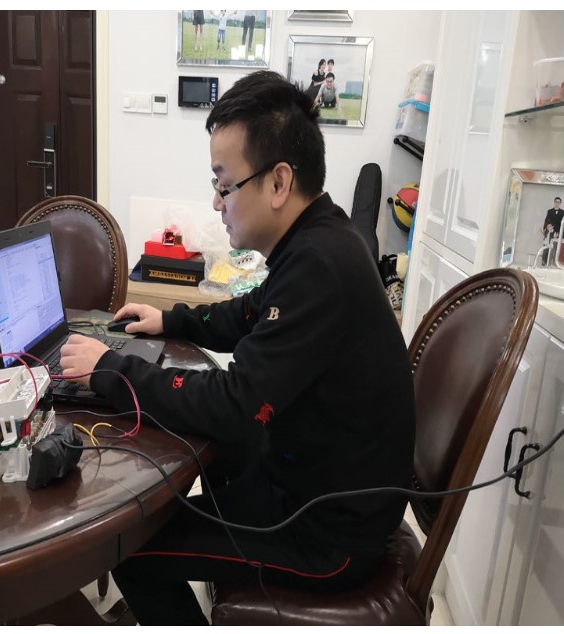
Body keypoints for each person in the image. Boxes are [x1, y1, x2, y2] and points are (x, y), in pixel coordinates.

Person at [59, 70, 414, 625]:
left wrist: (109, 369)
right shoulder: (322, 237)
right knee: (214, 460)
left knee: (131, 547)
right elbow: (248, 314)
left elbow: (235, 403)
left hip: (328, 532)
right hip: (320, 483)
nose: (216, 201)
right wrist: (170, 318)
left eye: (224, 185)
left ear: (278, 183)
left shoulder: (318, 266)